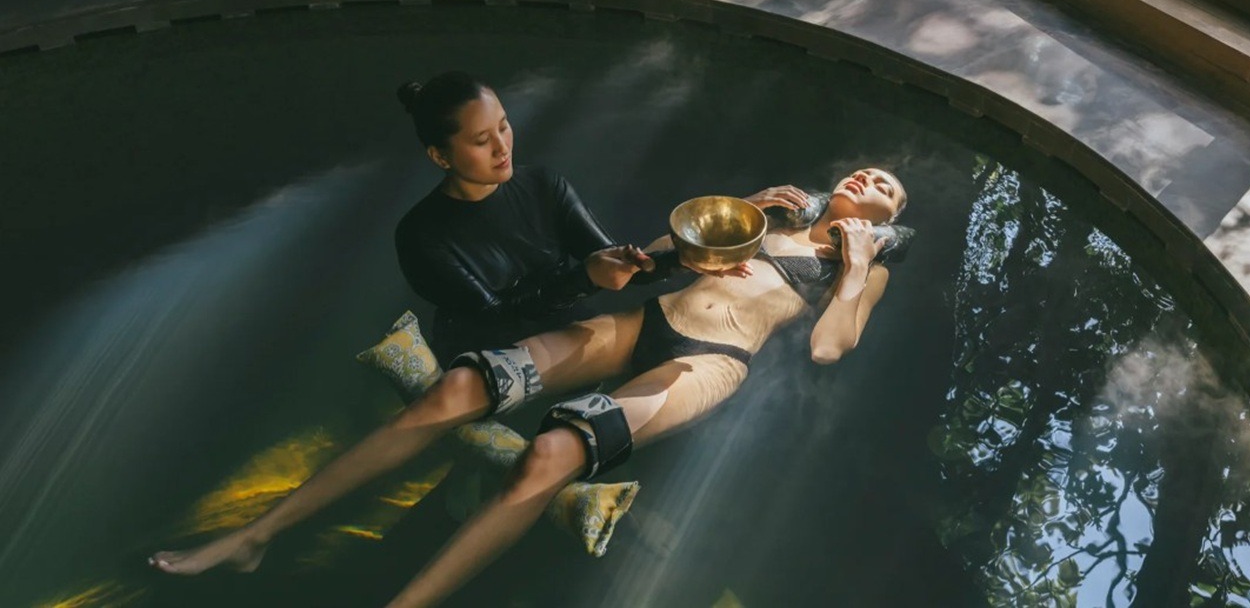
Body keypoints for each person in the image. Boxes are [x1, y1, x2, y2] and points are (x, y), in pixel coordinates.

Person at [150, 167, 910, 608]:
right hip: (644, 321)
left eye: (887, 187)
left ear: (887, 219)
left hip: (705, 362)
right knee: (455, 390)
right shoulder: (768, 212)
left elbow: (828, 348)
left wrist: (850, 266)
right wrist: (676, 248)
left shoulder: (863, 272)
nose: (869, 177)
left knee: (549, 454)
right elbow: (650, 260)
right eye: (866, 169)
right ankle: (253, 536)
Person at [392, 71, 657, 359]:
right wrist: (585, 278)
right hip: (485, 363)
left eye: (503, 127)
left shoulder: (543, 185)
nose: (502, 147)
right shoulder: (420, 234)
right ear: (440, 157)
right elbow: (496, 317)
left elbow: (612, 258)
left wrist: (685, 257)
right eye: (482, 141)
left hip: (570, 335)